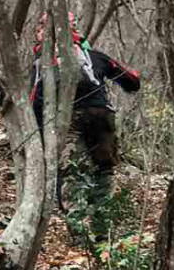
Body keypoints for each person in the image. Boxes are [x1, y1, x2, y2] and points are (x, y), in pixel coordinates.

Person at [29, 12, 140, 190]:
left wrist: (38, 130)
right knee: (105, 168)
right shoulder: (93, 57)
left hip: (68, 117)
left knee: (70, 168)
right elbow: (132, 82)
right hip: (101, 114)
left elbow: (35, 99)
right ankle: (103, 211)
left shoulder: (43, 62)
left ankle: (74, 213)